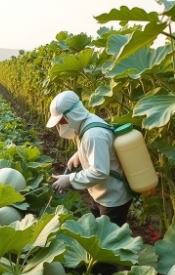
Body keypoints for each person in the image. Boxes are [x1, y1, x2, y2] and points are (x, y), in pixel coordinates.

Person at [47, 90, 133, 227]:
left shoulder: (93, 135)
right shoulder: (87, 124)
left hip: (112, 199)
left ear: (72, 115)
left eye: (62, 121)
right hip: (100, 193)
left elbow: (99, 172)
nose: (60, 126)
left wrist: (70, 179)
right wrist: (79, 155)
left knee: (108, 243)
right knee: (94, 231)